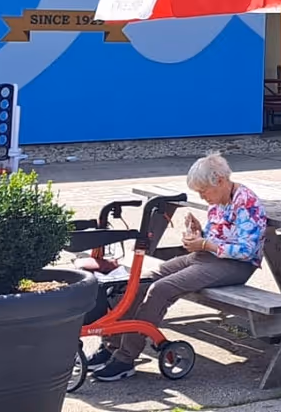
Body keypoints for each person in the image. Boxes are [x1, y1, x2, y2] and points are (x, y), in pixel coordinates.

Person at [91, 152, 266, 381]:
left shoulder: (247, 202)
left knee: (161, 289)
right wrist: (198, 235)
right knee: (138, 281)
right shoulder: (219, 198)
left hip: (235, 265)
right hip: (207, 257)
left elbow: (247, 250)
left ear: (221, 180)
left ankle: (125, 358)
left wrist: (204, 243)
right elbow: (218, 236)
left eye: (205, 191)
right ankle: (112, 345)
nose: (203, 197)